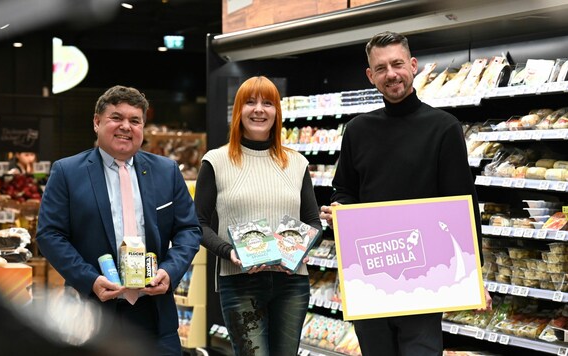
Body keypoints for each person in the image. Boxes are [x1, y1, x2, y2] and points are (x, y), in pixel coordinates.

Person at [319, 31, 491, 356]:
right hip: (370, 276)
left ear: (413, 66)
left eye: (397, 64)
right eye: (381, 68)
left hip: (425, 277)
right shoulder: (357, 130)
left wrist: (474, 275)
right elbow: (344, 189)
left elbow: (462, 204)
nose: (391, 74)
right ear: (371, 76)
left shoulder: (443, 127)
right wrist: (340, 208)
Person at [36, 85, 201, 355]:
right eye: (116, 118)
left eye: (135, 120)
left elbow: (189, 229)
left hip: (155, 314)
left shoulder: (166, 171)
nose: (126, 126)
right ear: (97, 122)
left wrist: (170, 272)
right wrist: (89, 280)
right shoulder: (67, 172)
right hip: (91, 313)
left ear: (143, 127)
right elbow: (50, 234)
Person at [194, 76, 322, 356]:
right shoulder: (216, 161)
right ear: (238, 110)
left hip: (291, 282)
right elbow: (198, 225)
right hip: (239, 281)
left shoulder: (297, 162)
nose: (259, 110)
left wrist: (297, 248)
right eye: (250, 102)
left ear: (277, 112)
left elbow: (313, 222)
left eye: (267, 103)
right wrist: (229, 252)